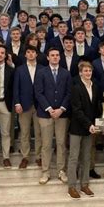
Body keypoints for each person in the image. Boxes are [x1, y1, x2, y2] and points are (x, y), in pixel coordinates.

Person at [34, 47, 72, 184]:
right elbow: (38, 93)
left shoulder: (66, 73)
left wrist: (61, 109)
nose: (55, 57)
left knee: (61, 143)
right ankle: (45, 171)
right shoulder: (41, 72)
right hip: (45, 114)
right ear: (48, 57)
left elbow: (69, 93)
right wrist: (50, 109)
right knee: (46, 144)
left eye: (57, 55)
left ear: (60, 57)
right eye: (52, 55)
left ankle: (61, 170)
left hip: (62, 114)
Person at [67, 62, 99, 199]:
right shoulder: (76, 88)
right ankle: (72, 187)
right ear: (80, 72)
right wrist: (88, 124)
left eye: (89, 71)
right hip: (77, 128)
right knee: (74, 157)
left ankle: (85, 184)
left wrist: (98, 124)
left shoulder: (95, 87)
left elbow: (96, 108)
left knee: (86, 157)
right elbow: (77, 110)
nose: (88, 73)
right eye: (85, 71)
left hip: (90, 128)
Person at [13, 45, 43, 168]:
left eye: (33, 52)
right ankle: (25, 157)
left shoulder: (42, 68)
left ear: (36, 54)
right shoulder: (19, 69)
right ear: (25, 55)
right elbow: (16, 87)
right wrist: (17, 103)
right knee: (24, 132)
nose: (31, 54)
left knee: (38, 132)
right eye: (28, 52)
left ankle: (39, 156)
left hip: (39, 105)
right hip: (24, 105)